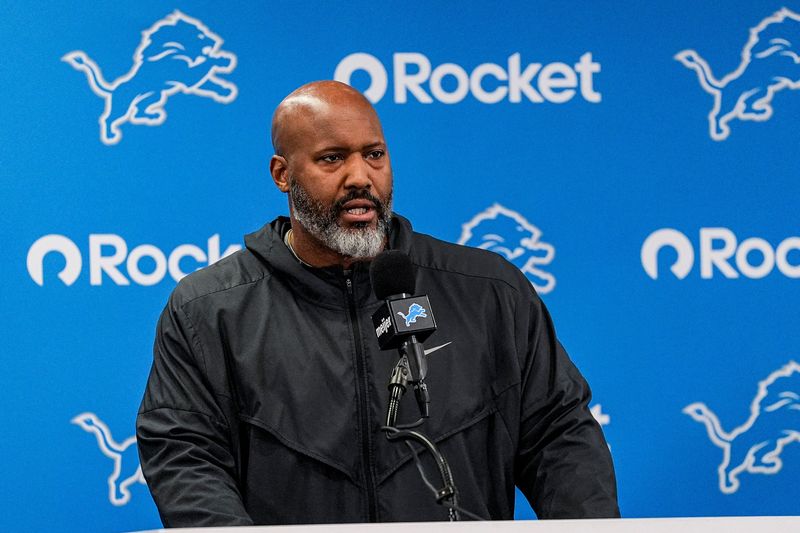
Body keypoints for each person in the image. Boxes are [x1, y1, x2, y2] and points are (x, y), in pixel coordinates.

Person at [136, 80, 619, 527]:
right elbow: (186, 457)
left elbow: (560, 437)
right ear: (282, 174)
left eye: (374, 155)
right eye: (332, 159)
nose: (359, 177)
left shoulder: (489, 291)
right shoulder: (209, 309)